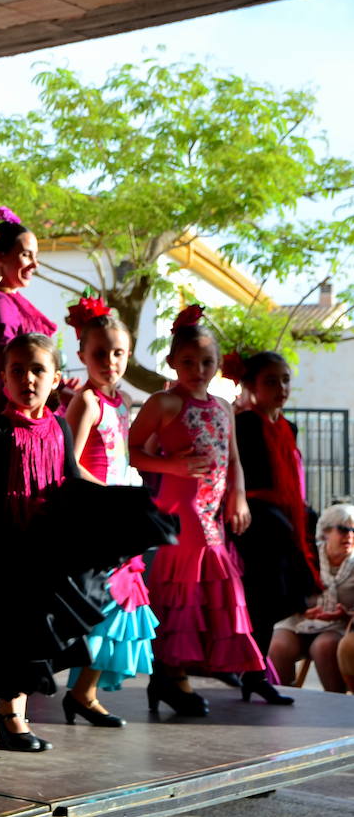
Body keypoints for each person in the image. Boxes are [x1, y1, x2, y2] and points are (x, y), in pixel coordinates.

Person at [0, 334, 166, 753]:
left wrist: (114, 504)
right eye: (17, 370)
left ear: (54, 379)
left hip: (46, 546)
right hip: (6, 548)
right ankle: (10, 713)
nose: (27, 378)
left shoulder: (59, 427)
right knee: (12, 635)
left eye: (38, 370)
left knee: (38, 632)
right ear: (4, 379)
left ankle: (16, 712)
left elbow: (71, 477)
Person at [128, 306, 267, 716]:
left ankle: (171, 677)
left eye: (207, 362)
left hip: (212, 513)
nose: (198, 369)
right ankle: (174, 678)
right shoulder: (164, 402)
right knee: (184, 595)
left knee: (209, 594)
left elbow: (234, 458)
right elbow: (133, 451)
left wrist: (237, 496)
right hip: (181, 508)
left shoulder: (224, 406)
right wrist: (171, 465)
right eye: (187, 361)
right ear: (171, 362)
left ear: (218, 365)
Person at [60, 298, 158, 727]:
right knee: (100, 604)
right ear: (82, 355)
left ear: (129, 355)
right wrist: (109, 496)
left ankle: (85, 692)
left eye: (118, 353)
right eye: (100, 353)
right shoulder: (87, 402)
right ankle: (77, 691)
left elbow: (124, 457)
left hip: (119, 514)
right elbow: (71, 462)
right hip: (96, 514)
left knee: (118, 605)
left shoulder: (121, 402)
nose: (110, 361)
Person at [232, 351, 320, 701]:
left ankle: (254, 674)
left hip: (285, 525)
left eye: (285, 379)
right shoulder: (245, 424)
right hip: (259, 524)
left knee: (270, 604)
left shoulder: (287, 426)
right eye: (271, 381)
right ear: (251, 385)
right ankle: (247, 670)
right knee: (258, 601)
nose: (281, 387)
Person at [0, 207, 60, 413]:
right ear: (0, 258)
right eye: (26, 255)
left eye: (36, 256)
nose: (35, 264)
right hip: (11, 409)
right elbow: (8, 361)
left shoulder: (5, 299)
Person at [270, 503, 354, 693]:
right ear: (325, 532)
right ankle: (279, 698)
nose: (349, 535)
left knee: (324, 647)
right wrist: (300, 607)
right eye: (343, 529)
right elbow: (285, 591)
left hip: (337, 626)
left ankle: (335, 703)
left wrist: (346, 613)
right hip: (298, 620)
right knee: (278, 645)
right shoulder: (306, 557)